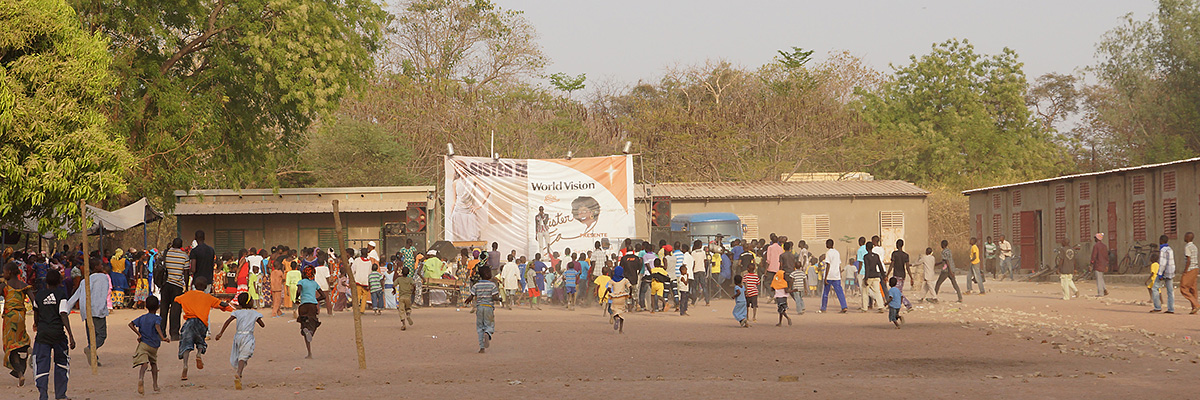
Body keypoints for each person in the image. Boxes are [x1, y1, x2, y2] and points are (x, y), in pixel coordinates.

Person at [175, 277, 233, 381]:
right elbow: (221, 304)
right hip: (202, 323)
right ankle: (198, 353)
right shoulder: (208, 297)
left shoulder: (187, 295)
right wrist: (231, 309)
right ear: (206, 287)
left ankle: (185, 365)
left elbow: (176, 299)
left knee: (186, 344)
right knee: (200, 340)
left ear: (194, 285)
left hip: (189, 322)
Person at [32, 269, 74, 400]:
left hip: (42, 335)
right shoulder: (61, 295)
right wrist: (71, 336)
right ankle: (60, 395)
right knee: (61, 364)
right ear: (60, 282)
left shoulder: (39, 295)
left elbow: (36, 312)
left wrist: (36, 324)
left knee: (41, 365)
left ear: (46, 281)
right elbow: (63, 314)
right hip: (58, 335)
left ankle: (43, 395)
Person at [61, 259, 110, 366]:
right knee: (101, 335)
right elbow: (103, 293)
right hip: (98, 309)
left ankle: (94, 359)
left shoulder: (85, 280)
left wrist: (66, 309)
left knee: (90, 336)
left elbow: (76, 296)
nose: (102, 266)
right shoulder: (103, 278)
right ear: (96, 267)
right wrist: (102, 308)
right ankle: (90, 349)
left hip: (87, 311)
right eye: (100, 264)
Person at [213, 293, 263, 390]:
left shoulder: (237, 312)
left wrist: (220, 333)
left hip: (238, 336)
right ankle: (239, 373)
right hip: (248, 336)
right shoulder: (254, 313)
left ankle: (239, 374)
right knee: (244, 356)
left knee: (239, 355)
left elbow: (228, 321)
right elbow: (262, 325)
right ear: (249, 303)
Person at [129, 296, 167, 394]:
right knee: (154, 364)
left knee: (144, 364)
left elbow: (131, 324)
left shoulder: (142, 318)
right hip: (154, 346)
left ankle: (141, 378)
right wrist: (163, 337)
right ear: (158, 306)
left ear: (146, 306)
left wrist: (139, 334)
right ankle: (155, 385)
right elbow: (157, 326)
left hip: (143, 344)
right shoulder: (157, 318)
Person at [3, 261, 32, 385]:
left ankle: (20, 374)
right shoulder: (24, 285)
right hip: (21, 317)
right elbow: (35, 303)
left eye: (4, 272)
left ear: (9, 272)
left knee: (11, 347)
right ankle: (26, 350)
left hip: (9, 318)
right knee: (21, 340)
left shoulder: (4, 286)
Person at [463, 266, 499, 353]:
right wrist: (499, 299)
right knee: (489, 324)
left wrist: (468, 300)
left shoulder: (476, 285)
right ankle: (488, 333)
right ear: (488, 274)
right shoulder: (492, 285)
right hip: (489, 308)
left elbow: (471, 296)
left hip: (479, 308)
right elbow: (494, 297)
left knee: (480, 327)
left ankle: (482, 347)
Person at [295, 267, 324, 358]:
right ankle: (311, 332)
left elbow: (299, 290)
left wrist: (297, 298)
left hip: (303, 306)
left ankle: (309, 352)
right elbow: (323, 296)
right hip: (312, 306)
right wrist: (316, 299)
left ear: (303, 274)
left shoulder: (301, 282)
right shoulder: (315, 283)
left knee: (304, 326)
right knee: (314, 323)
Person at [819, 239, 848, 313]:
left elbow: (828, 265)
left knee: (825, 292)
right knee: (839, 292)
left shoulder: (828, 253)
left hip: (829, 275)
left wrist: (825, 277)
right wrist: (839, 274)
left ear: (827, 245)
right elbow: (839, 264)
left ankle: (823, 308)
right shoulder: (837, 252)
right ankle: (844, 306)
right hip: (836, 275)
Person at [1151, 234, 1176, 314]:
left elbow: (1162, 263)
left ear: (1161, 241)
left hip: (1164, 272)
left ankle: (1157, 307)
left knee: (1155, 288)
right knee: (1170, 291)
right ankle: (1171, 309)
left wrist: (1160, 274)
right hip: (1170, 272)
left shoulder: (1163, 250)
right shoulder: (1170, 249)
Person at [861, 242, 886, 313]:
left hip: (869, 276)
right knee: (877, 292)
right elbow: (880, 266)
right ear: (872, 247)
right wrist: (884, 276)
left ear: (866, 248)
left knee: (865, 292)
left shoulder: (866, 256)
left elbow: (867, 268)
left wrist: (866, 278)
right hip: (876, 276)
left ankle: (864, 308)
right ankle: (881, 306)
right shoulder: (876, 256)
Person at [888, 239, 913, 311]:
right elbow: (907, 267)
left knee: (897, 291)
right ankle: (897, 305)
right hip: (903, 275)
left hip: (896, 275)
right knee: (898, 290)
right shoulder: (905, 255)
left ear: (896, 245)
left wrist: (887, 274)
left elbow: (891, 265)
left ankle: (908, 304)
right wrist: (911, 277)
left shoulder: (894, 254)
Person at [606, 266, 632, 333]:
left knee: (615, 311)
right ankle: (620, 330)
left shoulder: (612, 281)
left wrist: (611, 293)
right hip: (622, 297)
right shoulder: (625, 280)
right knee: (621, 313)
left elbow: (608, 288)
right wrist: (630, 294)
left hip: (615, 298)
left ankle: (616, 318)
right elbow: (630, 287)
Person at [1182, 232, 1198, 313]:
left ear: (1188, 238)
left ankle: (1196, 304)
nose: (1184, 237)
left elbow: (1188, 260)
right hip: (1195, 268)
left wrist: (1185, 271)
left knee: (1183, 288)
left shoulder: (1187, 247)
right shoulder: (1194, 246)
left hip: (1190, 269)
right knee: (1193, 288)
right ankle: (1194, 309)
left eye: (1185, 236)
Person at [678, 247, 692, 316]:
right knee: (683, 301)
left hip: (686, 290)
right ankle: (682, 311)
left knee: (686, 301)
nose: (686, 271)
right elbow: (685, 283)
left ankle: (685, 310)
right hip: (683, 290)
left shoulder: (685, 276)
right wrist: (688, 277)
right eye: (685, 270)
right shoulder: (682, 277)